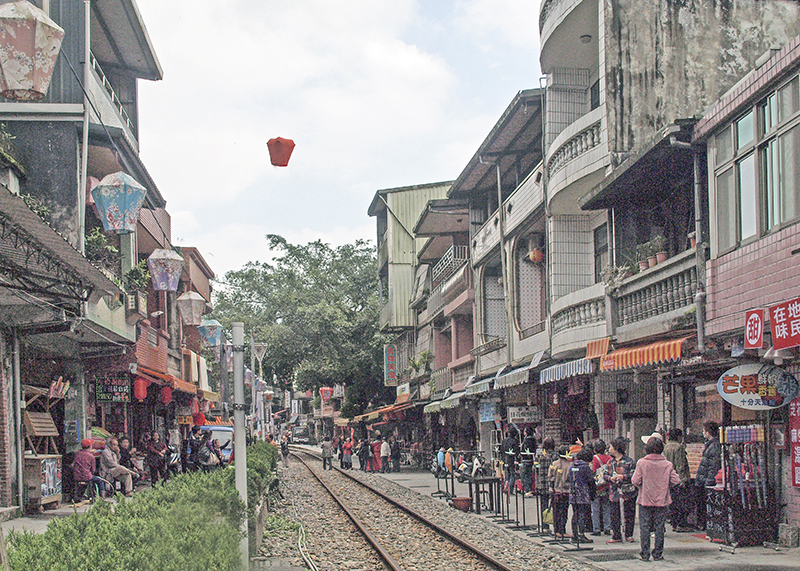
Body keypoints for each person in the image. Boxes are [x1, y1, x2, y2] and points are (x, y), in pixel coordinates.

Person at [632, 436, 680, 561]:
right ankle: (658, 553)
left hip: (645, 499)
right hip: (662, 500)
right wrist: (666, 485)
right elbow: (676, 480)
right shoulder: (667, 464)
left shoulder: (642, 463)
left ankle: (645, 553)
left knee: (645, 527)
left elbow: (635, 480)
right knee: (659, 527)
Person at [605, 436, 637, 544]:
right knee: (614, 514)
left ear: (616, 448)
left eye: (611, 447)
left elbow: (634, 475)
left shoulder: (629, 462)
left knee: (629, 514)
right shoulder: (610, 462)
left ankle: (629, 534)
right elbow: (604, 475)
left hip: (627, 492)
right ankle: (616, 535)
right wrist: (610, 478)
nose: (609, 449)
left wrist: (623, 477)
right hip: (614, 492)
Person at [694, 421, 721, 533]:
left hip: (706, 481)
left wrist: (708, 481)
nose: (702, 432)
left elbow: (713, 466)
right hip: (703, 480)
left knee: (704, 505)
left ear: (708, 432)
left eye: (704, 430)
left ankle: (704, 524)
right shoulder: (710, 445)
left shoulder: (714, 446)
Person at [663, 428, 692, 531]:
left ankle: (674, 523)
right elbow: (680, 465)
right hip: (678, 478)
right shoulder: (678, 447)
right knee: (682, 502)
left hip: (669, 478)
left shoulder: (666, 447)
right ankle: (681, 524)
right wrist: (683, 479)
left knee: (673, 503)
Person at [569, 448, 596, 544]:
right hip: (583, 493)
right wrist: (593, 492)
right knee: (582, 514)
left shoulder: (572, 466)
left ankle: (574, 534)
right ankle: (581, 534)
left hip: (573, 492)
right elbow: (590, 480)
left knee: (575, 514)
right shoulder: (585, 467)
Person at [549, 445, 572, 540]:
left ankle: (556, 529)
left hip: (555, 491)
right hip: (566, 491)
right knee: (564, 512)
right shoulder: (570, 465)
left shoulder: (554, 464)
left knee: (556, 511)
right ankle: (562, 530)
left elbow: (550, 476)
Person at [590, 438, 613, 536]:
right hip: (607, 484)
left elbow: (593, 471)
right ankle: (607, 527)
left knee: (595, 508)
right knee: (606, 507)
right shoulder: (609, 458)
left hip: (597, 486)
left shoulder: (595, 458)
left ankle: (596, 528)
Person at [535, 437, 557, 532]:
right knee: (555, 505)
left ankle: (544, 525)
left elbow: (535, 467)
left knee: (543, 505)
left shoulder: (539, 456)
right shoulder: (555, 456)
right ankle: (556, 526)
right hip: (553, 483)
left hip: (542, 482)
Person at [519, 427, 537, 497]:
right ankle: (529, 489)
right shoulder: (534, 440)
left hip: (525, 459)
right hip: (531, 460)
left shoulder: (526, 440)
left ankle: (527, 490)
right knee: (529, 475)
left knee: (524, 475)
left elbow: (524, 449)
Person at [502, 428, 520, 493]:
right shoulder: (515, 441)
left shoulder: (504, 440)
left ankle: (506, 486)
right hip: (512, 459)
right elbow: (517, 451)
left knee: (507, 474)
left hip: (505, 458)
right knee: (512, 474)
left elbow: (502, 450)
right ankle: (510, 489)